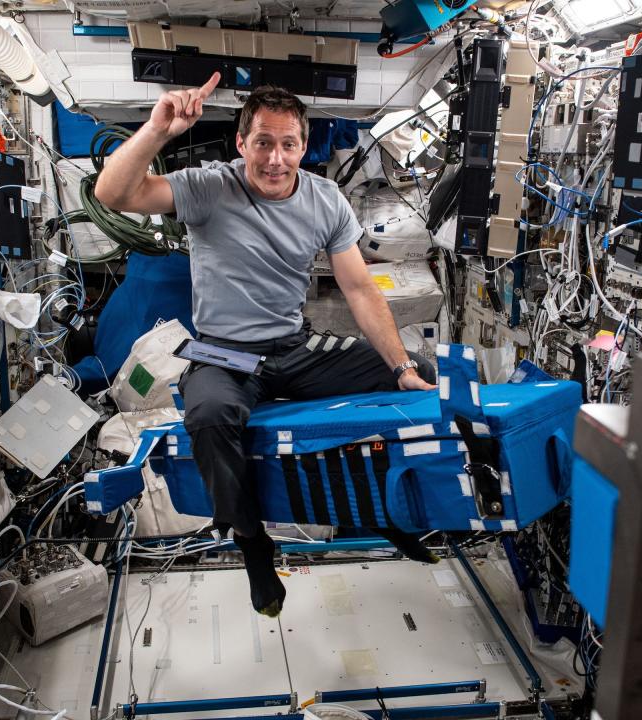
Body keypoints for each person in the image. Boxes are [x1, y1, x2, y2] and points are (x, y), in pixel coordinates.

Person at [95, 72, 439, 618]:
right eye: (262, 142)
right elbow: (113, 193)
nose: (275, 159)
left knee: (417, 370)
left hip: (292, 349)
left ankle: (383, 512)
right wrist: (158, 130)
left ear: (303, 146)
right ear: (241, 143)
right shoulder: (209, 187)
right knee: (208, 413)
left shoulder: (327, 201)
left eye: (288, 144)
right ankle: (253, 543)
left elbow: (357, 287)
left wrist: (398, 366)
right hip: (222, 354)